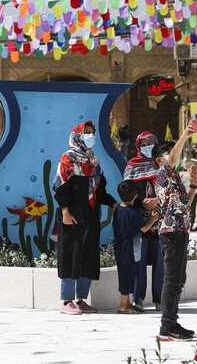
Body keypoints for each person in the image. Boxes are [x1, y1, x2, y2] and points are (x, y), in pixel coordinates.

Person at [53, 121, 118, 315]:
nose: (90, 136)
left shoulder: (94, 160)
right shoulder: (68, 158)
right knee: (69, 254)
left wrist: (115, 203)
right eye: (86, 133)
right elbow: (60, 187)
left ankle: (81, 300)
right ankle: (66, 301)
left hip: (90, 215)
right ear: (77, 136)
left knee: (87, 255)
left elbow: (100, 190)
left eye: (92, 133)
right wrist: (65, 212)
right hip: (72, 215)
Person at [153, 121, 197, 342]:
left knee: (179, 279)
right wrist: (184, 135)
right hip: (171, 233)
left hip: (180, 231)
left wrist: (192, 186)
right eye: (170, 153)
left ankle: (172, 321)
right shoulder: (163, 172)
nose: (175, 156)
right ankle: (166, 326)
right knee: (172, 280)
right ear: (159, 160)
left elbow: (185, 206)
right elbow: (172, 158)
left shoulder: (174, 179)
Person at [123, 131, 164, 312]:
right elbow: (126, 193)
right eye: (144, 143)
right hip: (140, 222)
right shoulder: (132, 166)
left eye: (151, 143)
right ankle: (138, 299)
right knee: (139, 262)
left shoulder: (162, 164)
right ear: (138, 146)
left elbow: (171, 188)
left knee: (160, 263)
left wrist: (157, 200)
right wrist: (143, 204)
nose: (147, 146)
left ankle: (160, 299)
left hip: (161, 222)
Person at [113, 180, 159, 314]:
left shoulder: (118, 210)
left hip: (120, 248)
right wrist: (153, 219)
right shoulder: (132, 213)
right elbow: (144, 228)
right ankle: (123, 305)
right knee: (127, 276)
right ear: (135, 196)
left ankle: (127, 303)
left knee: (124, 274)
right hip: (130, 250)